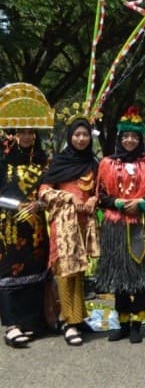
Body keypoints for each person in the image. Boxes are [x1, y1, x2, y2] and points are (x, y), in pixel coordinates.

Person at [95, 106, 145, 344]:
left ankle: (137, 322)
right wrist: (120, 203)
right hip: (116, 224)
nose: (130, 140)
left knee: (141, 274)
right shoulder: (106, 164)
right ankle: (122, 322)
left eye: (134, 136)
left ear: (140, 138)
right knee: (120, 274)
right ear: (119, 138)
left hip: (143, 223)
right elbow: (101, 196)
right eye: (126, 136)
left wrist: (142, 202)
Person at [39, 116, 100, 347]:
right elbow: (44, 191)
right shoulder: (59, 162)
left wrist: (94, 199)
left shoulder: (93, 163)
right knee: (65, 271)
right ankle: (68, 322)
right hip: (63, 223)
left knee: (79, 271)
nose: (81, 139)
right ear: (70, 137)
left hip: (84, 223)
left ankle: (77, 317)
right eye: (77, 135)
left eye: (85, 135)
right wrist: (68, 197)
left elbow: (99, 190)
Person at [0, 122, 51, 348]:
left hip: (36, 227)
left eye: (31, 132)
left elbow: (51, 190)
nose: (27, 136)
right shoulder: (4, 161)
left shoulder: (44, 159)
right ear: (15, 134)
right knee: (9, 273)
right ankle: (11, 325)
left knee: (34, 271)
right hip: (9, 225)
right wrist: (16, 205)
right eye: (22, 131)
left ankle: (31, 321)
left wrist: (40, 204)